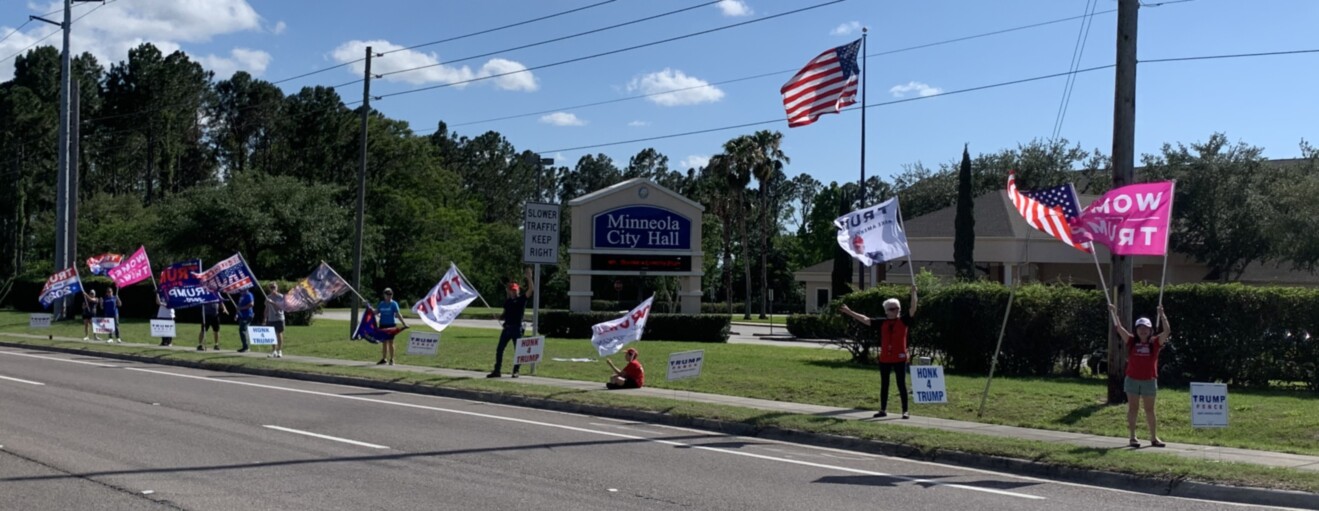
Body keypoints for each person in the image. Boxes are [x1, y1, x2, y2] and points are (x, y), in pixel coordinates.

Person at [839, 285, 919, 419]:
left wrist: (913, 294)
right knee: (884, 384)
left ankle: (905, 411)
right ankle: (883, 409)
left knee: (901, 384)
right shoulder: (883, 322)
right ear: (886, 311)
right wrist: (850, 312)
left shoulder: (903, 321)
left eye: (898, 308)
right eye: (893, 309)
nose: (896, 311)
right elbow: (865, 319)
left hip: (900, 358)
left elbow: (913, 308)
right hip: (885, 359)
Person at [1110, 304, 1172, 448]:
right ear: (1136, 330)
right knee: (1133, 408)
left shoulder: (1155, 342)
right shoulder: (1132, 341)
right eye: (1140, 328)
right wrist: (1114, 312)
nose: (1143, 330)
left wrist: (1162, 314)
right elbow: (1119, 329)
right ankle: (1132, 437)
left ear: (1150, 330)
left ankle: (1154, 438)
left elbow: (1167, 331)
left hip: (1149, 381)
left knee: (1150, 410)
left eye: (1146, 328)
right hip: (1132, 380)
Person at [488, 267, 534, 378]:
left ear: (518, 290)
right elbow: (504, 313)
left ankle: (516, 371)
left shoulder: (521, 299)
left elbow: (530, 291)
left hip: (516, 329)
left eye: (515, 290)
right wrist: (499, 317)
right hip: (507, 328)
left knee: (518, 351)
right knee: (499, 349)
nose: (513, 291)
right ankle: (497, 370)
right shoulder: (508, 301)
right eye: (511, 290)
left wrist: (529, 279)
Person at [375, 288, 409, 366]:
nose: (389, 296)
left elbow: (398, 314)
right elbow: (376, 312)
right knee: (384, 342)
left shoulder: (394, 304)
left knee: (390, 342)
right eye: (387, 294)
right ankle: (384, 359)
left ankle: (392, 359)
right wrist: (368, 307)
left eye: (390, 294)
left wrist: (404, 323)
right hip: (383, 325)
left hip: (391, 325)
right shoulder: (381, 304)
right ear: (384, 295)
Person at [264, 283, 287, 358]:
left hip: (279, 318)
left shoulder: (281, 297)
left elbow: (280, 307)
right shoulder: (268, 297)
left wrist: (272, 302)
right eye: (271, 287)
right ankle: (273, 351)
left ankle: (279, 350)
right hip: (271, 318)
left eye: (274, 287)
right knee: (272, 335)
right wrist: (264, 318)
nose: (273, 288)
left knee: (279, 334)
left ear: (277, 288)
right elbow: (266, 309)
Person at [235, 288, 255, 353]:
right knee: (242, 330)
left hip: (247, 315)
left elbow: (251, 304)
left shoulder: (249, 295)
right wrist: (237, 314)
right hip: (242, 315)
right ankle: (245, 346)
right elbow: (238, 306)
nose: (240, 291)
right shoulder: (241, 296)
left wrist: (241, 308)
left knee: (242, 329)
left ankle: (246, 347)